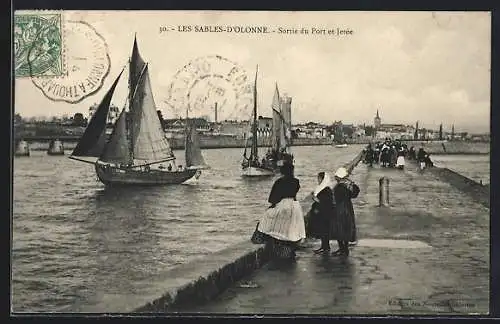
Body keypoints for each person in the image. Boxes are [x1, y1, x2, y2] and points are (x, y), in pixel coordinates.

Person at [255, 162, 306, 261]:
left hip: (283, 205)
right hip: (294, 206)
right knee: (290, 227)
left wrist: (272, 205)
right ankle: (289, 247)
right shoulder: (296, 181)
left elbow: (273, 198)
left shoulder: (279, 182)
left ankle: (270, 239)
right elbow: (294, 192)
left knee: (267, 217)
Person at [331, 167, 360, 257]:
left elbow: (335, 198)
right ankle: (345, 249)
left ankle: (342, 249)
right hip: (348, 207)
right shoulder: (348, 185)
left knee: (339, 228)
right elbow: (355, 193)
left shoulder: (339, 186)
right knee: (346, 228)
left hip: (340, 208)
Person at [307, 172, 336, 254]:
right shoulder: (323, 188)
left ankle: (325, 248)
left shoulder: (326, 190)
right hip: (323, 213)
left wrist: (315, 198)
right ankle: (324, 247)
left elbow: (324, 202)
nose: (318, 180)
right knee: (323, 231)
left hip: (324, 213)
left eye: (319, 178)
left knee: (324, 231)